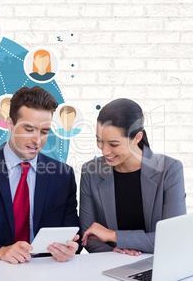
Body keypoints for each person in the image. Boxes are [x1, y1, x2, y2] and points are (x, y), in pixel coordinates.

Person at [0, 86, 80, 264]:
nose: (37, 140)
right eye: (29, 129)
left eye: (44, 131)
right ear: (10, 124)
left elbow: (72, 237)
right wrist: (1, 252)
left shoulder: (63, 175)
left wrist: (71, 249)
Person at [80, 98, 186, 255]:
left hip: (159, 265)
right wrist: (115, 250)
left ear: (137, 138)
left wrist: (114, 236)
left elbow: (173, 238)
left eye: (114, 144)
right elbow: (88, 236)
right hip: (110, 264)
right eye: (99, 141)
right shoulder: (90, 172)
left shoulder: (169, 170)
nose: (104, 151)